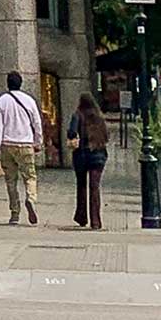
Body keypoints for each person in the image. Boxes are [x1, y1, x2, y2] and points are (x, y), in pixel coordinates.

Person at [0, 70, 45, 224]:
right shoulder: (29, 100)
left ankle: (15, 213)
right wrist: (38, 142)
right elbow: (37, 123)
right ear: (21, 83)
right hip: (26, 144)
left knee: (11, 180)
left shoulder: (1, 101)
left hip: (7, 145)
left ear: (7, 84)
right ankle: (31, 198)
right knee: (30, 176)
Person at [67, 90, 109, 229]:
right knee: (95, 187)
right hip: (98, 156)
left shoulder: (77, 115)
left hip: (82, 156)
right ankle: (96, 221)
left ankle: (81, 216)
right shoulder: (100, 117)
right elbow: (107, 136)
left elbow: (72, 132)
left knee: (82, 185)